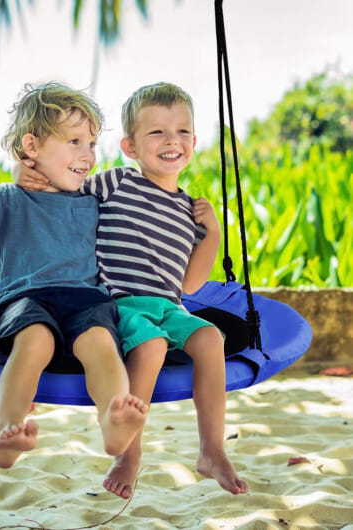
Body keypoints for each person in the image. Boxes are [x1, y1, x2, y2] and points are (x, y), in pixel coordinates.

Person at [15, 82, 249, 497]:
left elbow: (191, 283)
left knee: (211, 338)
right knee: (152, 345)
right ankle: (129, 454)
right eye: (157, 132)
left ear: (194, 142)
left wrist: (212, 232)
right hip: (120, 303)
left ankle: (212, 450)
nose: (172, 141)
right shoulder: (118, 182)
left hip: (169, 306)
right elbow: (62, 188)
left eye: (182, 131)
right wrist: (24, 173)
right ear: (130, 146)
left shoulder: (189, 210)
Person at [0, 82, 148, 470]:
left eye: (91, 144)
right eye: (74, 142)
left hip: (86, 300)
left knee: (101, 342)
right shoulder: (5, 199)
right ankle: (7, 431)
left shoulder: (94, 199)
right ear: (32, 146)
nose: (87, 155)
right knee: (34, 341)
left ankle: (113, 421)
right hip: (25, 301)